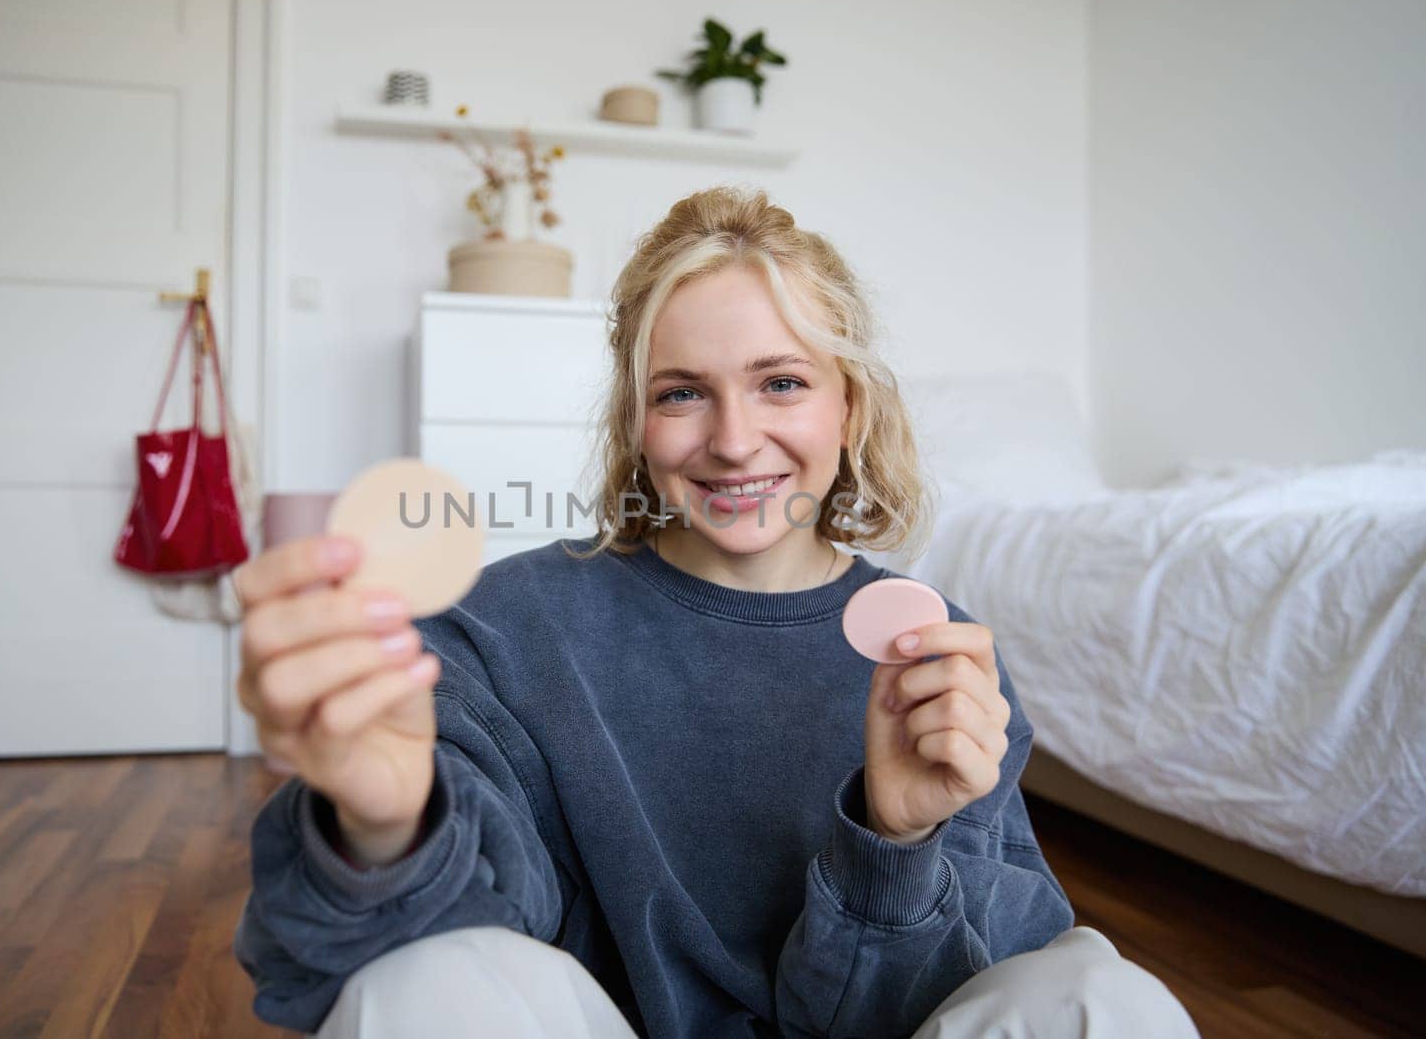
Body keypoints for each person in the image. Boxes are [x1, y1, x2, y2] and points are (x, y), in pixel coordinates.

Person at [231, 187, 1199, 1038]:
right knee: (422, 978)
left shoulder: (936, 657)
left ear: (848, 408)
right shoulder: (502, 626)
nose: (735, 441)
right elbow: (396, 971)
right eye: (684, 393)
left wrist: (896, 841)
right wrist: (388, 827)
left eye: (781, 381)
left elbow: (981, 986)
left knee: (1107, 999)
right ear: (636, 423)